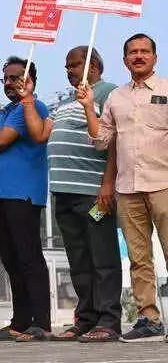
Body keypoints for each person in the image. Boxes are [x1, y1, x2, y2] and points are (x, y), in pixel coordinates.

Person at [19, 47, 121, 342]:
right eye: (67, 66)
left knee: (102, 257)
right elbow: (40, 134)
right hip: (63, 193)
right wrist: (27, 99)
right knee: (78, 260)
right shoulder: (65, 103)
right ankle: (86, 319)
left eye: (75, 65)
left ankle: (109, 320)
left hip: (92, 193)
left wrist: (107, 185)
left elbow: (112, 142)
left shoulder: (107, 93)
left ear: (94, 66)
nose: (69, 70)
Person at [78, 33, 168, 342]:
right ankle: (148, 319)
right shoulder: (116, 97)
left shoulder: (167, 90)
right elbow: (101, 140)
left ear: (155, 57)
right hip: (127, 187)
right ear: (124, 59)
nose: (139, 56)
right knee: (139, 257)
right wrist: (89, 106)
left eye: (145, 51)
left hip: (163, 184)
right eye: (133, 52)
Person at [0, 57, 51, 342]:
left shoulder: (33, 107)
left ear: (29, 80)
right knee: (12, 260)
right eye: (5, 79)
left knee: (29, 259)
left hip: (23, 194)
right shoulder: (3, 112)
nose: (9, 83)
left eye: (15, 78)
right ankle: (20, 321)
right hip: (0, 194)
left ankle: (41, 322)